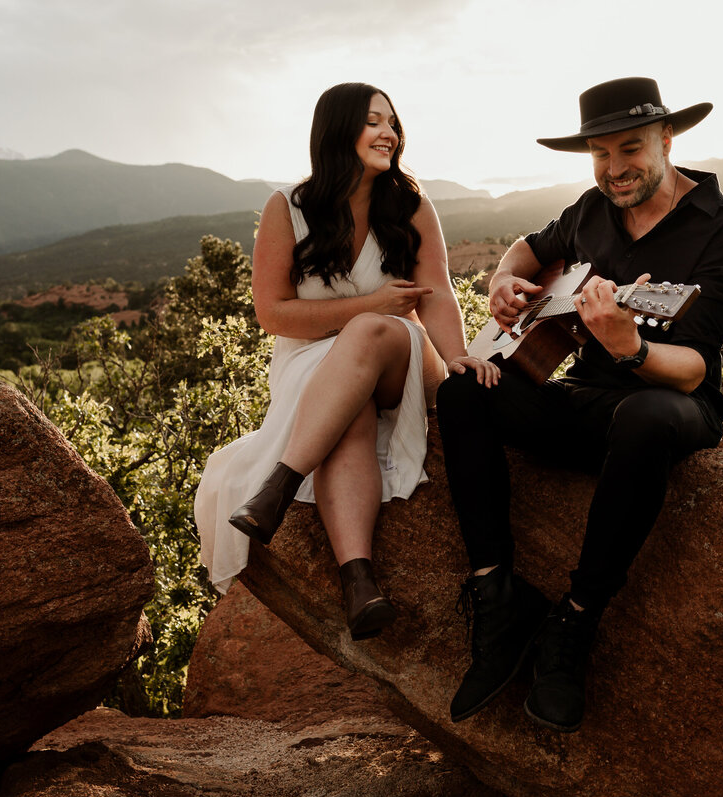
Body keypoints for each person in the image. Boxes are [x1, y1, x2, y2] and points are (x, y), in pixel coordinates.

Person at [436, 77, 723, 732]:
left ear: (667, 139)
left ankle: (577, 619)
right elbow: (529, 251)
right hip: (581, 400)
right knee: (461, 391)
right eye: (601, 154)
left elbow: (693, 365)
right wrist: (504, 282)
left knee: (643, 415)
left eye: (630, 149)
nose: (615, 169)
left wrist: (631, 348)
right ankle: (499, 595)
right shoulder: (588, 211)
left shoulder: (721, 230)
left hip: (671, 404)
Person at [195, 82, 498, 639]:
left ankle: (279, 484)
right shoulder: (288, 208)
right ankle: (360, 581)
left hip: (401, 358)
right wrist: (369, 306)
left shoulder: (411, 204)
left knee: (370, 330)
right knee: (348, 413)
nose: (389, 133)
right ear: (338, 131)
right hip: (310, 366)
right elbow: (273, 314)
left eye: (392, 122)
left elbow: (439, 292)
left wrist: (456, 357)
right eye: (373, 122)